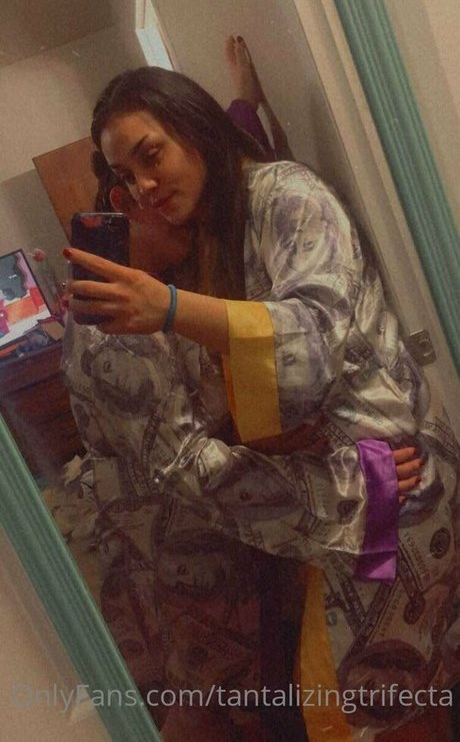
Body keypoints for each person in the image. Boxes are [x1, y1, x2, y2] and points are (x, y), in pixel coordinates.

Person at [61, 50, 459, 741]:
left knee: (380, 697)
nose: (144, 189)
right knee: (366, 695)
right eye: (125, 180)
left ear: (194, 124)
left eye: (151, 156)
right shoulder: (217, 224)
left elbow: (313, 336)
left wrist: (170, 308)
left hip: (385, 481)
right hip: (339, 493)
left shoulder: (285, 195)